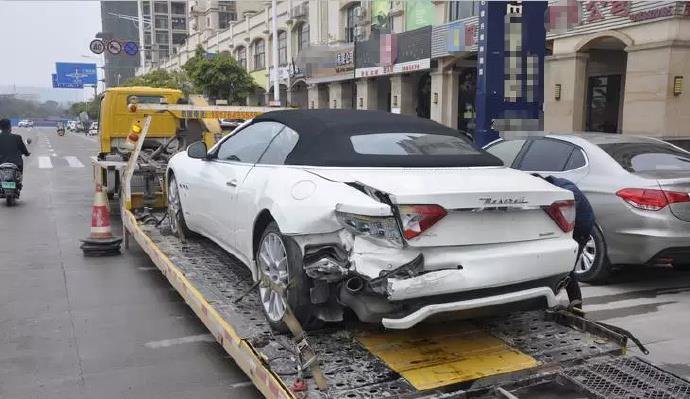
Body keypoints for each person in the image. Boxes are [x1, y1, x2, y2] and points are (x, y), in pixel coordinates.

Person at [538, 175, 595, 307]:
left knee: (567, 267)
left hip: (580, 230)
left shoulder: (566, 191)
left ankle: (575, 305)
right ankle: (574, 302)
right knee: (566, 267)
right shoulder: (559, 185)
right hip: (577, 227)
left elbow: (569, 210)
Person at [0, 119, 31, 188]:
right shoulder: (17, 137)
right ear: (10, 127)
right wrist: (27, 153)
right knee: (19, 173)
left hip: (1, 162)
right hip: (16, 162)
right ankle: (19, 183)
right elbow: (23, 149)